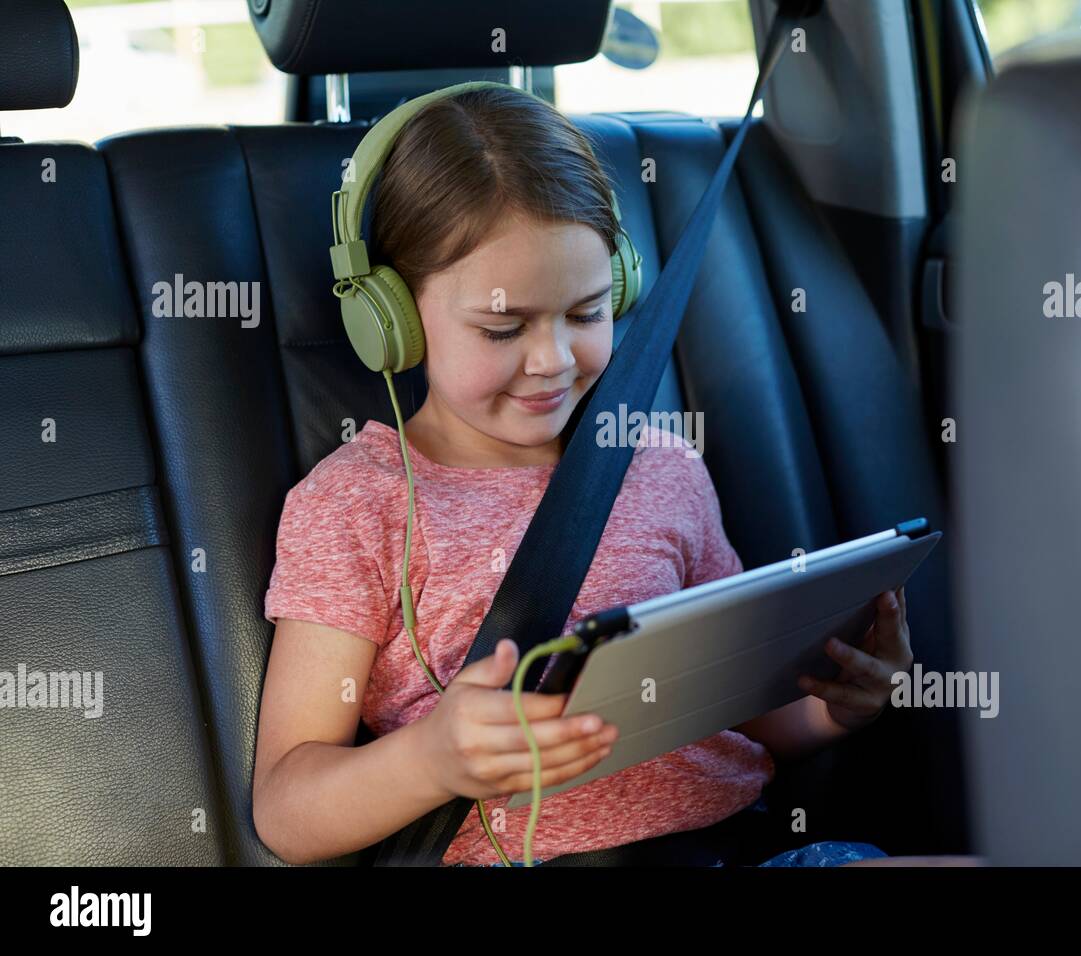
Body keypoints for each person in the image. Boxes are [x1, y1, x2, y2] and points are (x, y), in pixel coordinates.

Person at [253, 85, 913, 867]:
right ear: (388, 315)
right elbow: (287, 810)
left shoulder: (661, 465)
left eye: (587, 312)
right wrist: (430, 759)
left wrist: (841, 706)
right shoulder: (356, 508)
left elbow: (749, 711)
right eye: (504, 326)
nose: (553, 361)